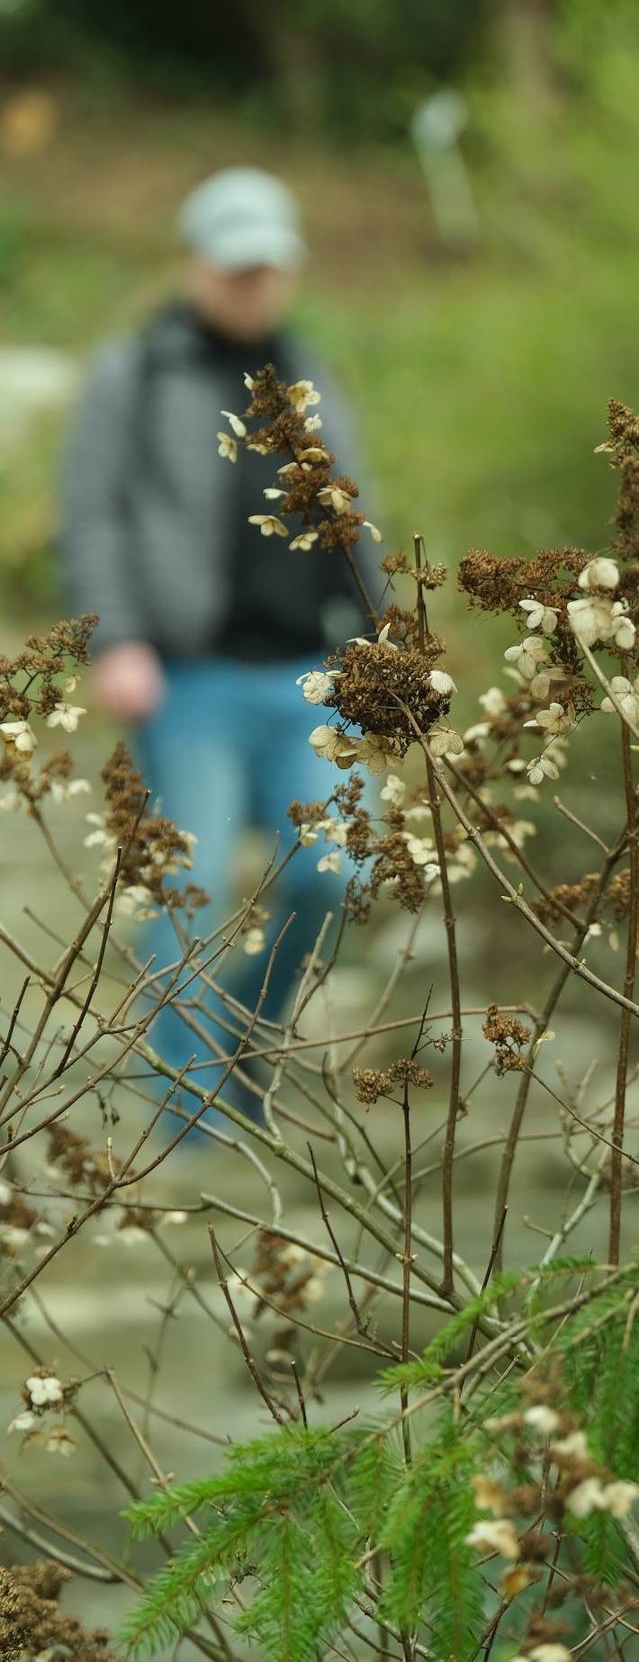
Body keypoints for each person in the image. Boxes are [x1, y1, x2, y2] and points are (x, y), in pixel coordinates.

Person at [61, 167, 370, 1134]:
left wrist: (381, 643)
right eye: (236, 269)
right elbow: (93, 511)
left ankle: (242, 1028)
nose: (253, 286)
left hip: (303, 676)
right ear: (197, 264)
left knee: (335, 873)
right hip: (184, 677)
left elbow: (353, 512)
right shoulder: (137, 372)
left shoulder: (309, 371)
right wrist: (117, 639)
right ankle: (188, 1135)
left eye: (268, 269)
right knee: (186, 905)